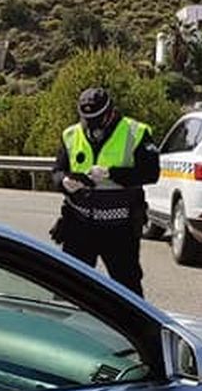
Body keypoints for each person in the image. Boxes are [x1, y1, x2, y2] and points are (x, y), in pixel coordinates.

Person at [50, 87, 160, 295]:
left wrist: (112, 174)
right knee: (68, 290)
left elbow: (151, 173)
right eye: (86, 119)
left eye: (98, 119)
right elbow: (57, 171)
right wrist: (64, 181)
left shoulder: (136, 132)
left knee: (127, 292)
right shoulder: (71, 134)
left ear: (110, 112)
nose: (92, 125)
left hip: (120, 228)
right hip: (79, 225)